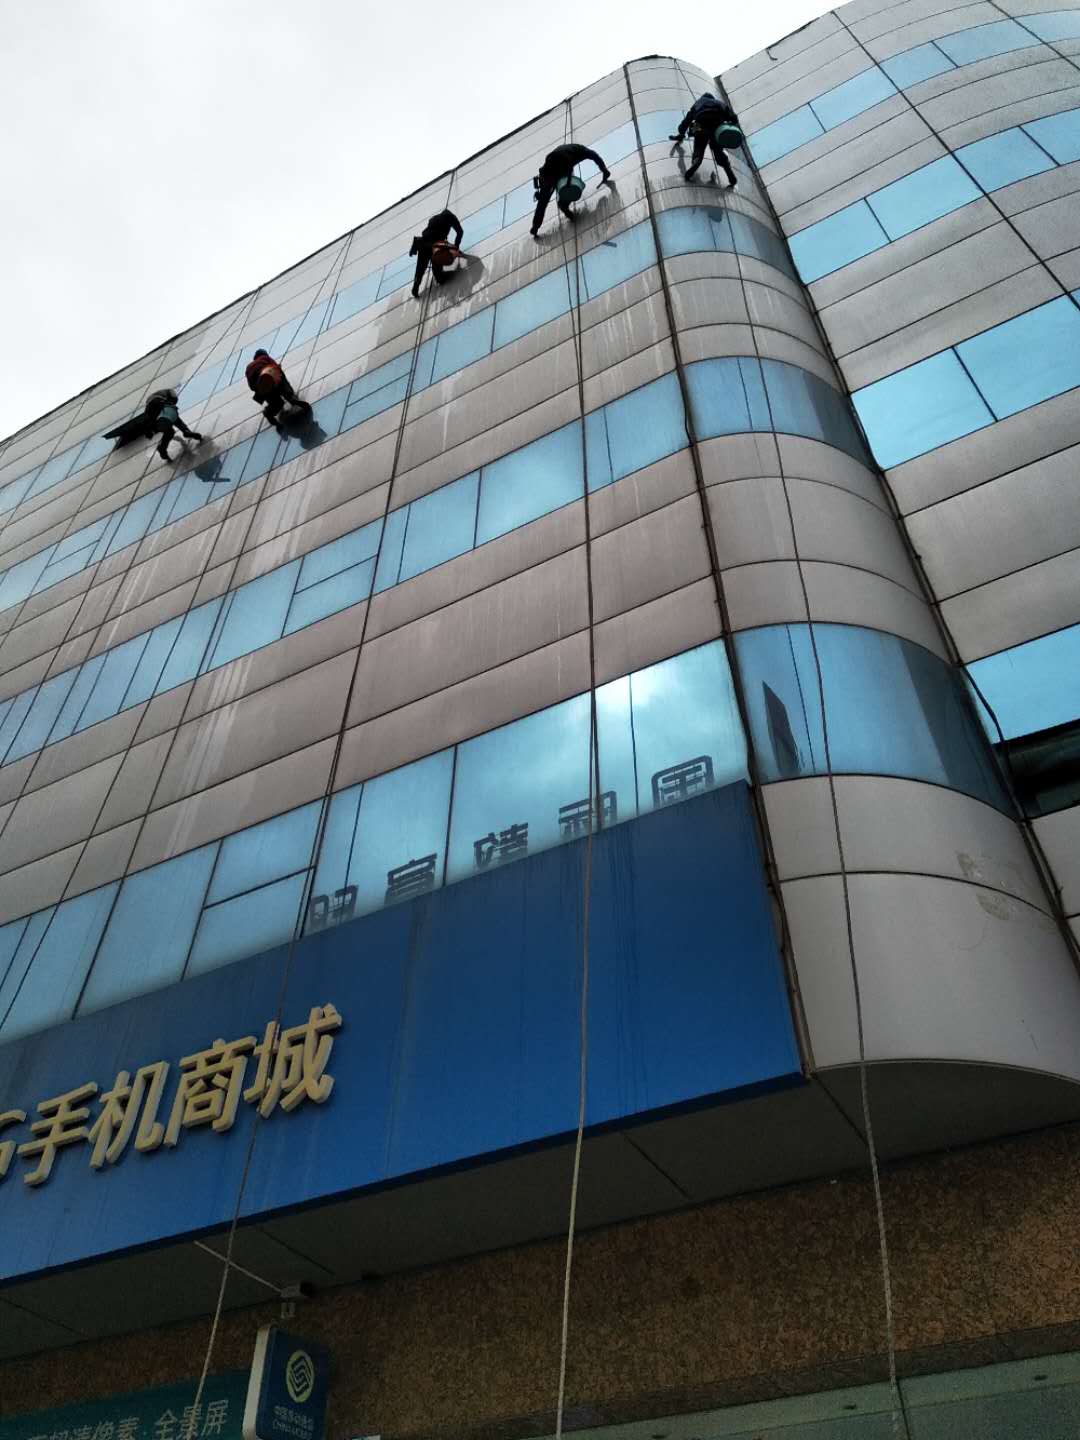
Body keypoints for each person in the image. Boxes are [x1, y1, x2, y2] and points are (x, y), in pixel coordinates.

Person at [530, 144, 611, 235]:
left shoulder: (572, 155)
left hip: (567, 159)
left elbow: (593, 155)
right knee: (545, 200)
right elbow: (541, 204)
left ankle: (564, 206)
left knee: (565, 190)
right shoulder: (546, 174)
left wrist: (604, 170)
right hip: (557, 168)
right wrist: (535, 227)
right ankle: (562, 209)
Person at [671, 92, 743, 186]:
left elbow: (687, 120)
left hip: (700, 125)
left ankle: (697, 160)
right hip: (716, 127)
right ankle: (728, 171)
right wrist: (731, 124)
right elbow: (733, 117)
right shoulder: (720, 103)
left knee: (699, 144)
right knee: (718, 150)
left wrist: (681, 133)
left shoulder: (698, 103)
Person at [244, 349, 311, 428]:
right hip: (268, 373)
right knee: (282, 385)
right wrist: (288, 389)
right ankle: (291, 398)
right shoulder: (264, 357)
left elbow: (251, 386)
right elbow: (278, 370)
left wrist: (260, 392)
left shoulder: (248, 368)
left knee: (277, 403)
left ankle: (269, 412)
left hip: (260, 386)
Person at [411, 210, 464, 297]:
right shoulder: (451, 218)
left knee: (420, 267)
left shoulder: (433, 218)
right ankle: (439, 277)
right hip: (436, 248)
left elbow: (430, 233)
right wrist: (456, 247)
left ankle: (416, 285)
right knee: (439, 275)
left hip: (423, 244)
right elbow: (460, 232)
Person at [145, 389, 202, 460]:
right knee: (172, 416)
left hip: (153, 420)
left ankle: (162, 447)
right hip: (158, 409)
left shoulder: (151, 403)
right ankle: (186, 431)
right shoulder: (163, 397)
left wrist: (149, 429)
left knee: (169, 431)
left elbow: (149, 418)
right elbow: (172, 413)